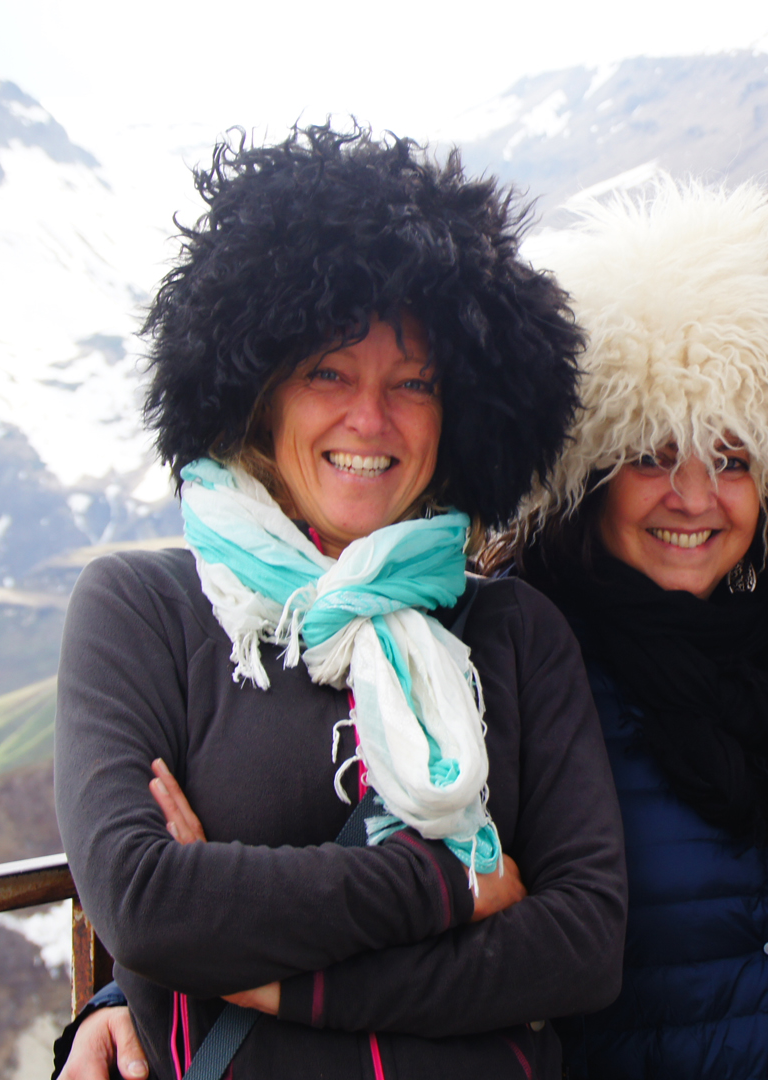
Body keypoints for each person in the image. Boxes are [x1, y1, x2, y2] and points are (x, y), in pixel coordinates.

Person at [52, 125, 626, 1080]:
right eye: (328, 371)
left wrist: (277, 982)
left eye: (415, 384)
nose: (371, 418)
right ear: (259, 390)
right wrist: (451, 880)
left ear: (462, 414)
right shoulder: (145, 610)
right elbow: (148, 906)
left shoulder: (515, 633)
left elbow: (581, 945)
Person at [499, 181, 768, 1078]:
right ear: (590, 472)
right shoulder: (517, 660)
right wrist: (134, 991)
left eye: (730, 459)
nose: (693, 497)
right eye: (651, 456)